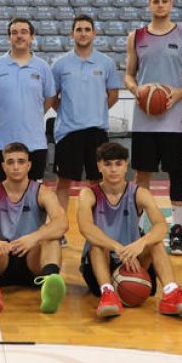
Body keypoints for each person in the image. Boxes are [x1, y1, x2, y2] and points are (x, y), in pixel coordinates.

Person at [76, 141, 182, 319]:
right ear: (99, 166)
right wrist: (117, 247)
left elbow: (161, 225)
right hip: (100, 264)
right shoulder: (88, 194)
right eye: (108, 164)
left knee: (155, 242)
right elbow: (86, 228)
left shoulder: (139, 193)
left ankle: (171, 293)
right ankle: (107, 293)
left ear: (126, 165)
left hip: (133, 263)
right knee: (97, 245)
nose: (113, 169)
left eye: (118, 164)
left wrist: (141, 243)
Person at [123, 0, 182, 255]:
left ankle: (177, 230)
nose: (160, 5)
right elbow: (129, 74)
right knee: (142, 174)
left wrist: (177, 95)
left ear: (171, 3)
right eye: (155, 1)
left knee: (176, 173)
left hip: (174, 117)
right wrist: (137, 90)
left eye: (164, 0)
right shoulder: (136, 36)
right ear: (149, 4)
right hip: (144, 118)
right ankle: (139, 227)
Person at [0, 142, 68, 314]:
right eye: (11, 162)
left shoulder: (42, 192)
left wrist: (34, 237)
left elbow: (62, 222)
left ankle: (50, 283)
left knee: (51, 234)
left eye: (21, 162)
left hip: (33, 260)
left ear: (28, 165)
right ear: (3, 166)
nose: (16, 167)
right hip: (2, 258)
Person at [51, 15, 121, 217]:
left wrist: (95, 111)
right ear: (72, 33)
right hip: (68, 132)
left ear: (94, 33)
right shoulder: (60, 64)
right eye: (79, 29)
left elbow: (113, 95)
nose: (83, 33)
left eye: (87, 29)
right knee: (63, 182)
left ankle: (100, 224)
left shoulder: (106, 63)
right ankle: (58, 228)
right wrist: (69, 112)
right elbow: (52, 97)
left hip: (97, 133)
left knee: (99, 182)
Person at [0, 18, 56, 183]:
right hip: (0, 143)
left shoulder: (43, 67)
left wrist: (34, 113)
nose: (19, 36)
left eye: (24, 32)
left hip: (34, 143)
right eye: (14, 32)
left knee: (34, 197)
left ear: (32, 37)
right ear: (9, 38)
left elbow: (50, 97)